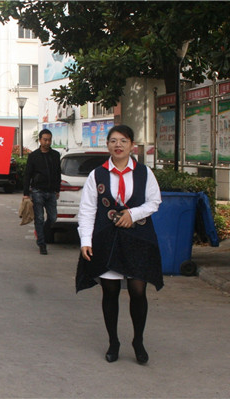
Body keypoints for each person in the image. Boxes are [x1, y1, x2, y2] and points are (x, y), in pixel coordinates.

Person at [75, 125, 163, 365]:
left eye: (123, 141)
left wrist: (132, 214)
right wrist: (85, 240)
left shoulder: (144, 173)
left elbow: (154, 201)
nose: (118, 145)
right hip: (107, 239)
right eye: (113, 141)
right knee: (110, 292)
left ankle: (138, 341)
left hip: (137, 239)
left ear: (132, 145)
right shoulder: (97, 175)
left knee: (138, 291)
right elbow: (87, 209)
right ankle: (113, 342)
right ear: (107, 145)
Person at [22, 129, 61, 255]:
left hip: (51, 192)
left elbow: (57, 173)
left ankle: (40, 231)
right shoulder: (34, 156)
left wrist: (57, 189)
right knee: (39, 218)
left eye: (49, 139)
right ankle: (42, 244)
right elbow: (27, 175)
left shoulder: (55, 155)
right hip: (37, 191)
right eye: (45, 139)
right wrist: (26, 194)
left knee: (53, 217)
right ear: (40, 140)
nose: (47, 142)